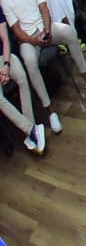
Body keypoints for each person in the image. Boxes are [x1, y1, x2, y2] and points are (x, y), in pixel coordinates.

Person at [0, 18, 51, 154]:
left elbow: (5, 39)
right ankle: (31, 129)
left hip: (5, 57)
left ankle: (31, 130)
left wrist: (6, 65)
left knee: (22, 78)